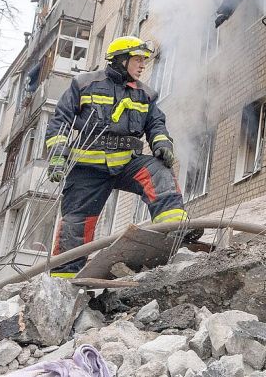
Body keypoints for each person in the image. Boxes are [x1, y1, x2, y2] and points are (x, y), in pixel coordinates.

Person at [44, 36, 197, 278]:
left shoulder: (145, 95)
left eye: (144, 60)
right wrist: (57, 156)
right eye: (137, 59)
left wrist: (162, 143)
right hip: (87, 168)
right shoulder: (84, 84)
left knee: (158, 171)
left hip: (126, 164)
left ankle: (173, 228)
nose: (143, 65)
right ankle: (64, 279)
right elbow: (60, 120)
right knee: (76, 224)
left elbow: (156, 124)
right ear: (121, 60)